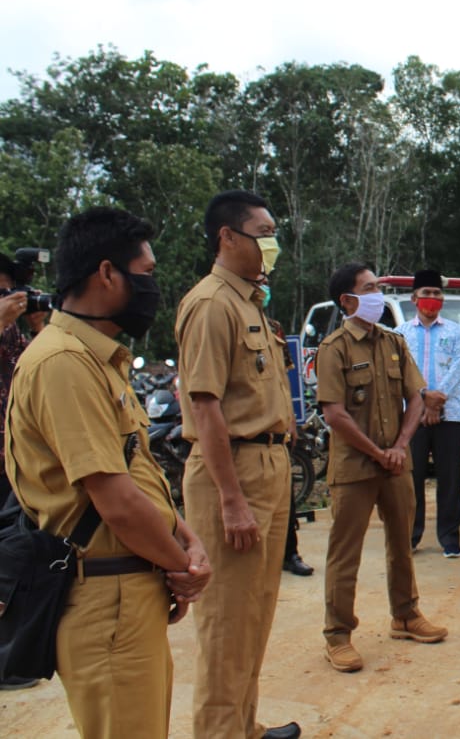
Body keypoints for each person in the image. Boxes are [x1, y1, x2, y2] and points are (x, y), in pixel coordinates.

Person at [4, 207, 210, 734]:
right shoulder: (63, 365)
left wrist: (184, 540)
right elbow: (114, 501)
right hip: (106, 600)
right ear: (106, 274)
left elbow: (137, 469)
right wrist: (181, 567)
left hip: (128, 589)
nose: (152, 286)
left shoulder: (98, 360)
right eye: (145, 272)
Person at [176, 190, 300, 739]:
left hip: (267, 465)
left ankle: (242, 726)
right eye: (262, 232)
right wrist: (231, 500)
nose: (271, 243)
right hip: (235, 473)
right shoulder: (211, 304)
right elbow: (204, 407)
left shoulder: (251, 302)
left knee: (255, 613)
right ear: (228, 237)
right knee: (227, 623)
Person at [316, 263, 446, 672]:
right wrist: (378, 451)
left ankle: (405, 615)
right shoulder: (333, 349)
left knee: (402, 542)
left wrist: (402, 446)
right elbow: (335, 415)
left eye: (378, 287)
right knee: (345, 553)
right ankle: (338, 635)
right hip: (355, 467)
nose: (378, 294)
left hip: (395, 463)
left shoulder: (393, 342)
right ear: (348, 301)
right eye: (369, 288)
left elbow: (417, 397)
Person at [0, 253, 49, 691]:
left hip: (11, 461)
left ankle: (9, 660)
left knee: (13, 561)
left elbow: (32, 373)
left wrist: (37, 328)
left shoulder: (13, 331)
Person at [394, 269, 460, 557]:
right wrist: (424, 397)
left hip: (450, 413)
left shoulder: (455, 331)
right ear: (414, 298)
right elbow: (401, 372)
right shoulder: (400, 334)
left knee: (451, 477)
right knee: (412, 477)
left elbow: (458, 367)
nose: (432, 298)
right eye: (426, 293)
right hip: (412, 416)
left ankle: (450, 537)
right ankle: (411, 536)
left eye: (437, 293)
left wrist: (437, 401)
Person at [255, 273, 313, 578]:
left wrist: (291, 420)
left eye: (267, 282)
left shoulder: (275, 328)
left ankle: (290, 553)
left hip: (278, 426)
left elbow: (285, 379)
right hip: (249, 430)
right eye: (259, 281)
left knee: (285, 496)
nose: (264, 288)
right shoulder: (230, 320)